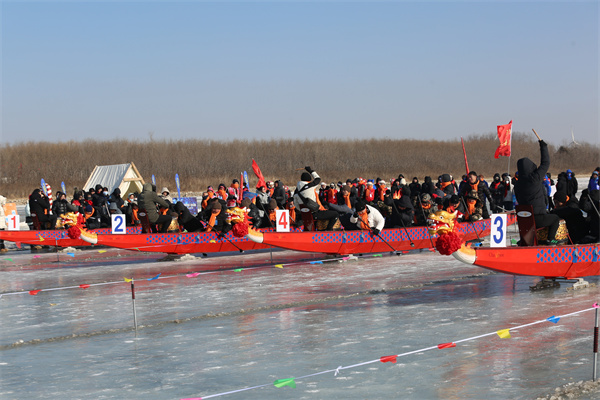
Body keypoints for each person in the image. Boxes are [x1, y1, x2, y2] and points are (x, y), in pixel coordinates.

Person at [514, 139, 560, 244]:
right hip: (538, 218)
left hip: (525, 220)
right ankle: (551, 239)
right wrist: (543, 147)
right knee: (555, 219)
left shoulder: (517, 184)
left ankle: (527, 241)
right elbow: (545, 163)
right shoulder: (535, 178)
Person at [293, 166, 338, 230]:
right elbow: (318, 178)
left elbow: (295, 203)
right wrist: (310, 171)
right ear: (309, 180)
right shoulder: (310, 186)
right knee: (335, 214)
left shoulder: (297, 190)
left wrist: (303, 211)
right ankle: (328, 231)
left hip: (304, 215)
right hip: (314, 213)